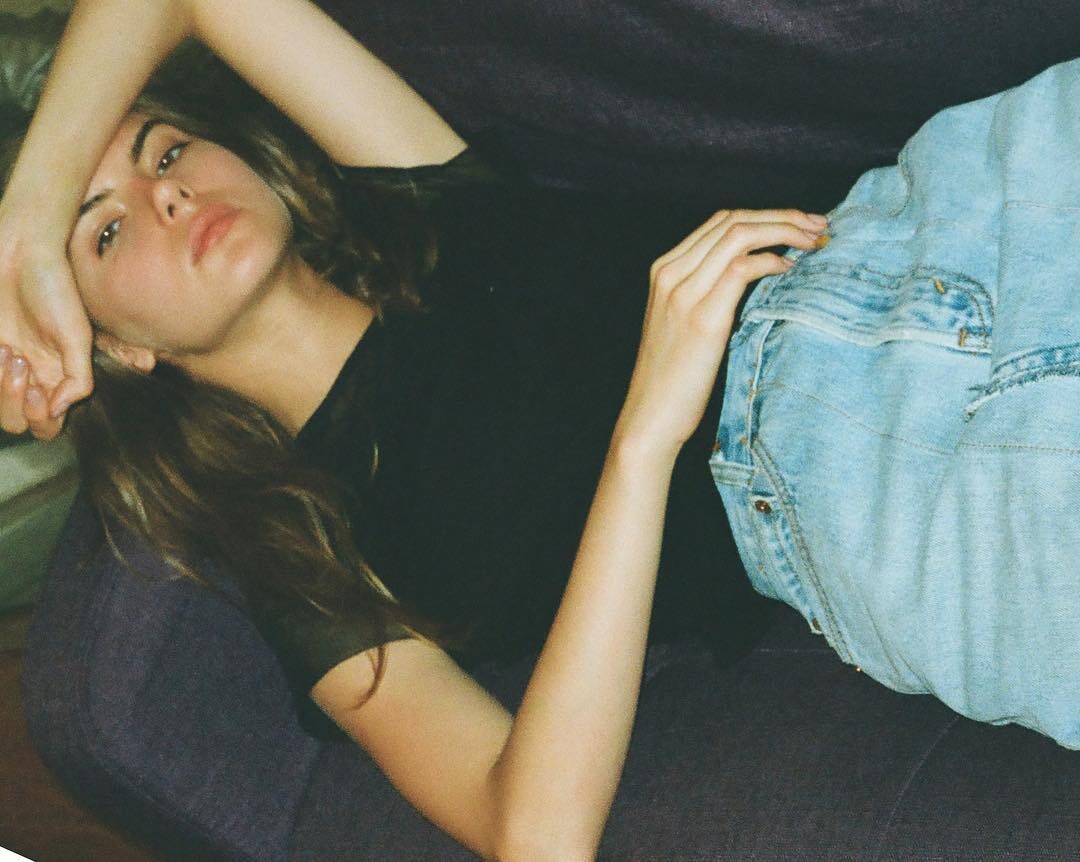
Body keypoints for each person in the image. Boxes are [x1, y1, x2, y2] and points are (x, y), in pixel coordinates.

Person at [2, 0, 1078, 856]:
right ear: (118, 350)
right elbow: (535, 832)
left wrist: (31, 221)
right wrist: (644, 438)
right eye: (106, 233)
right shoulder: (305, 557)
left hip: (948, 212)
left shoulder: (433, 203)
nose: (167, 198)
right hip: (860, 465)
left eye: (165, 154)